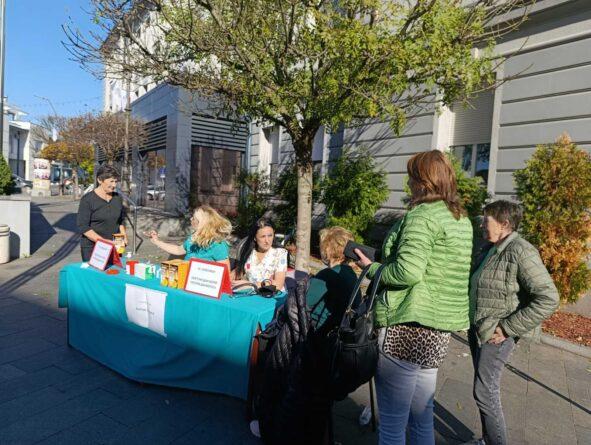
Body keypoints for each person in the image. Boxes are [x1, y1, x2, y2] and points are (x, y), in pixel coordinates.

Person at [356, 150, 473, 445]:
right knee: (422, 419)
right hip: (437, 329)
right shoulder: (460, 219)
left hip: (405, 326)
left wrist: (371, 268)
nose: (408, 183)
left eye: (412, 177)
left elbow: (407, 272)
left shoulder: (422, 216)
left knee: (392, 426)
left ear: (424, 181)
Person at [465, 200, 558, 445]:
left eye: (486, 221)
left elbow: (549, 298)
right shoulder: (490, 247)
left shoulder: (521, 251)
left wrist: (508, 328)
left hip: (497, 333)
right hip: (480, 328)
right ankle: (487, 440)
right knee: (482, 390)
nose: (482, 225)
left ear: (504, 223)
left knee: (485, 392)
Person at [307, 226, 359, 332]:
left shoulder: (328, 274)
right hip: (339, 331)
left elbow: (304, 302)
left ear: (328, 249)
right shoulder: (351, 274)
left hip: (318, 331)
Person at [145, 205, 231, 267]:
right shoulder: (193, 237)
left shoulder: (218, 244)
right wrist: (156, 241)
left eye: (193, 218)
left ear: (202, 223)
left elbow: (225, 271)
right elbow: (178, 250)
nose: (190, 219)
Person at [77, 165, 127, 262]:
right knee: (95, 272)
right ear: (100, 180)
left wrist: (124, 236)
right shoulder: (87, 200)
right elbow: (83, 227)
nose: (114, 185)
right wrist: (104, 242)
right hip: (93, 247)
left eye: (116, 181)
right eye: (111, 181)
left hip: (115, 245)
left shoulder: (118, 198)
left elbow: (120, 220)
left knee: (115, 271)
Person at [233, 218, 288, 292]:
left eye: (270, 235)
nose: (267, 241)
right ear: (255, 238)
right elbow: (237, 273)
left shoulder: (280, 253)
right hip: (250, 294)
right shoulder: (249, 252)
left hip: (272, 295)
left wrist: (250, 285)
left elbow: (278, 285)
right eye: (263, 236)